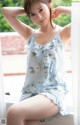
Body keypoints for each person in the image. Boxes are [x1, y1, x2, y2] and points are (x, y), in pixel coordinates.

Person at [2, 0, 71, 125]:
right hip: (30, 94)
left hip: (53, 93)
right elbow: (6, 12)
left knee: (13, 112)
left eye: (41, 10)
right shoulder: (30, 34)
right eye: (33, 14)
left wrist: (63, 9)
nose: (39, 17)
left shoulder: (62, 33)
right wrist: (29, 9)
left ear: (49, 6)